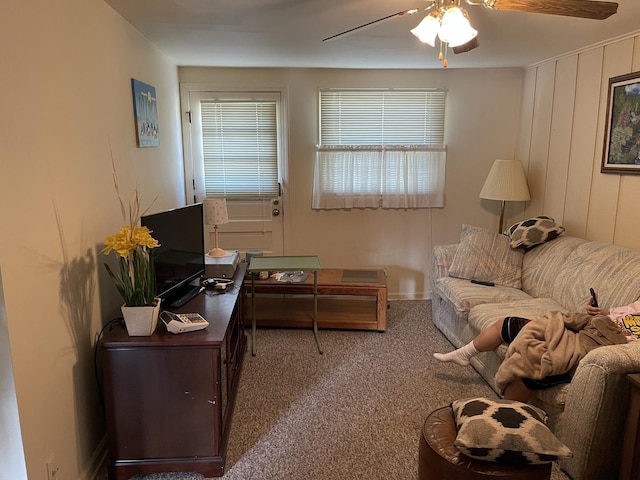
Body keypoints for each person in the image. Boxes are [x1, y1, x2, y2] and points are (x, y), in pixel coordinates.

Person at [433, 297, 639, 401]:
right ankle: (465, 354)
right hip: (586, 326)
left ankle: (501, 417)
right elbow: (614, 314)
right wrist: (598, 311)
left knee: (533, 366)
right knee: (507, 323)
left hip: (595, 345)